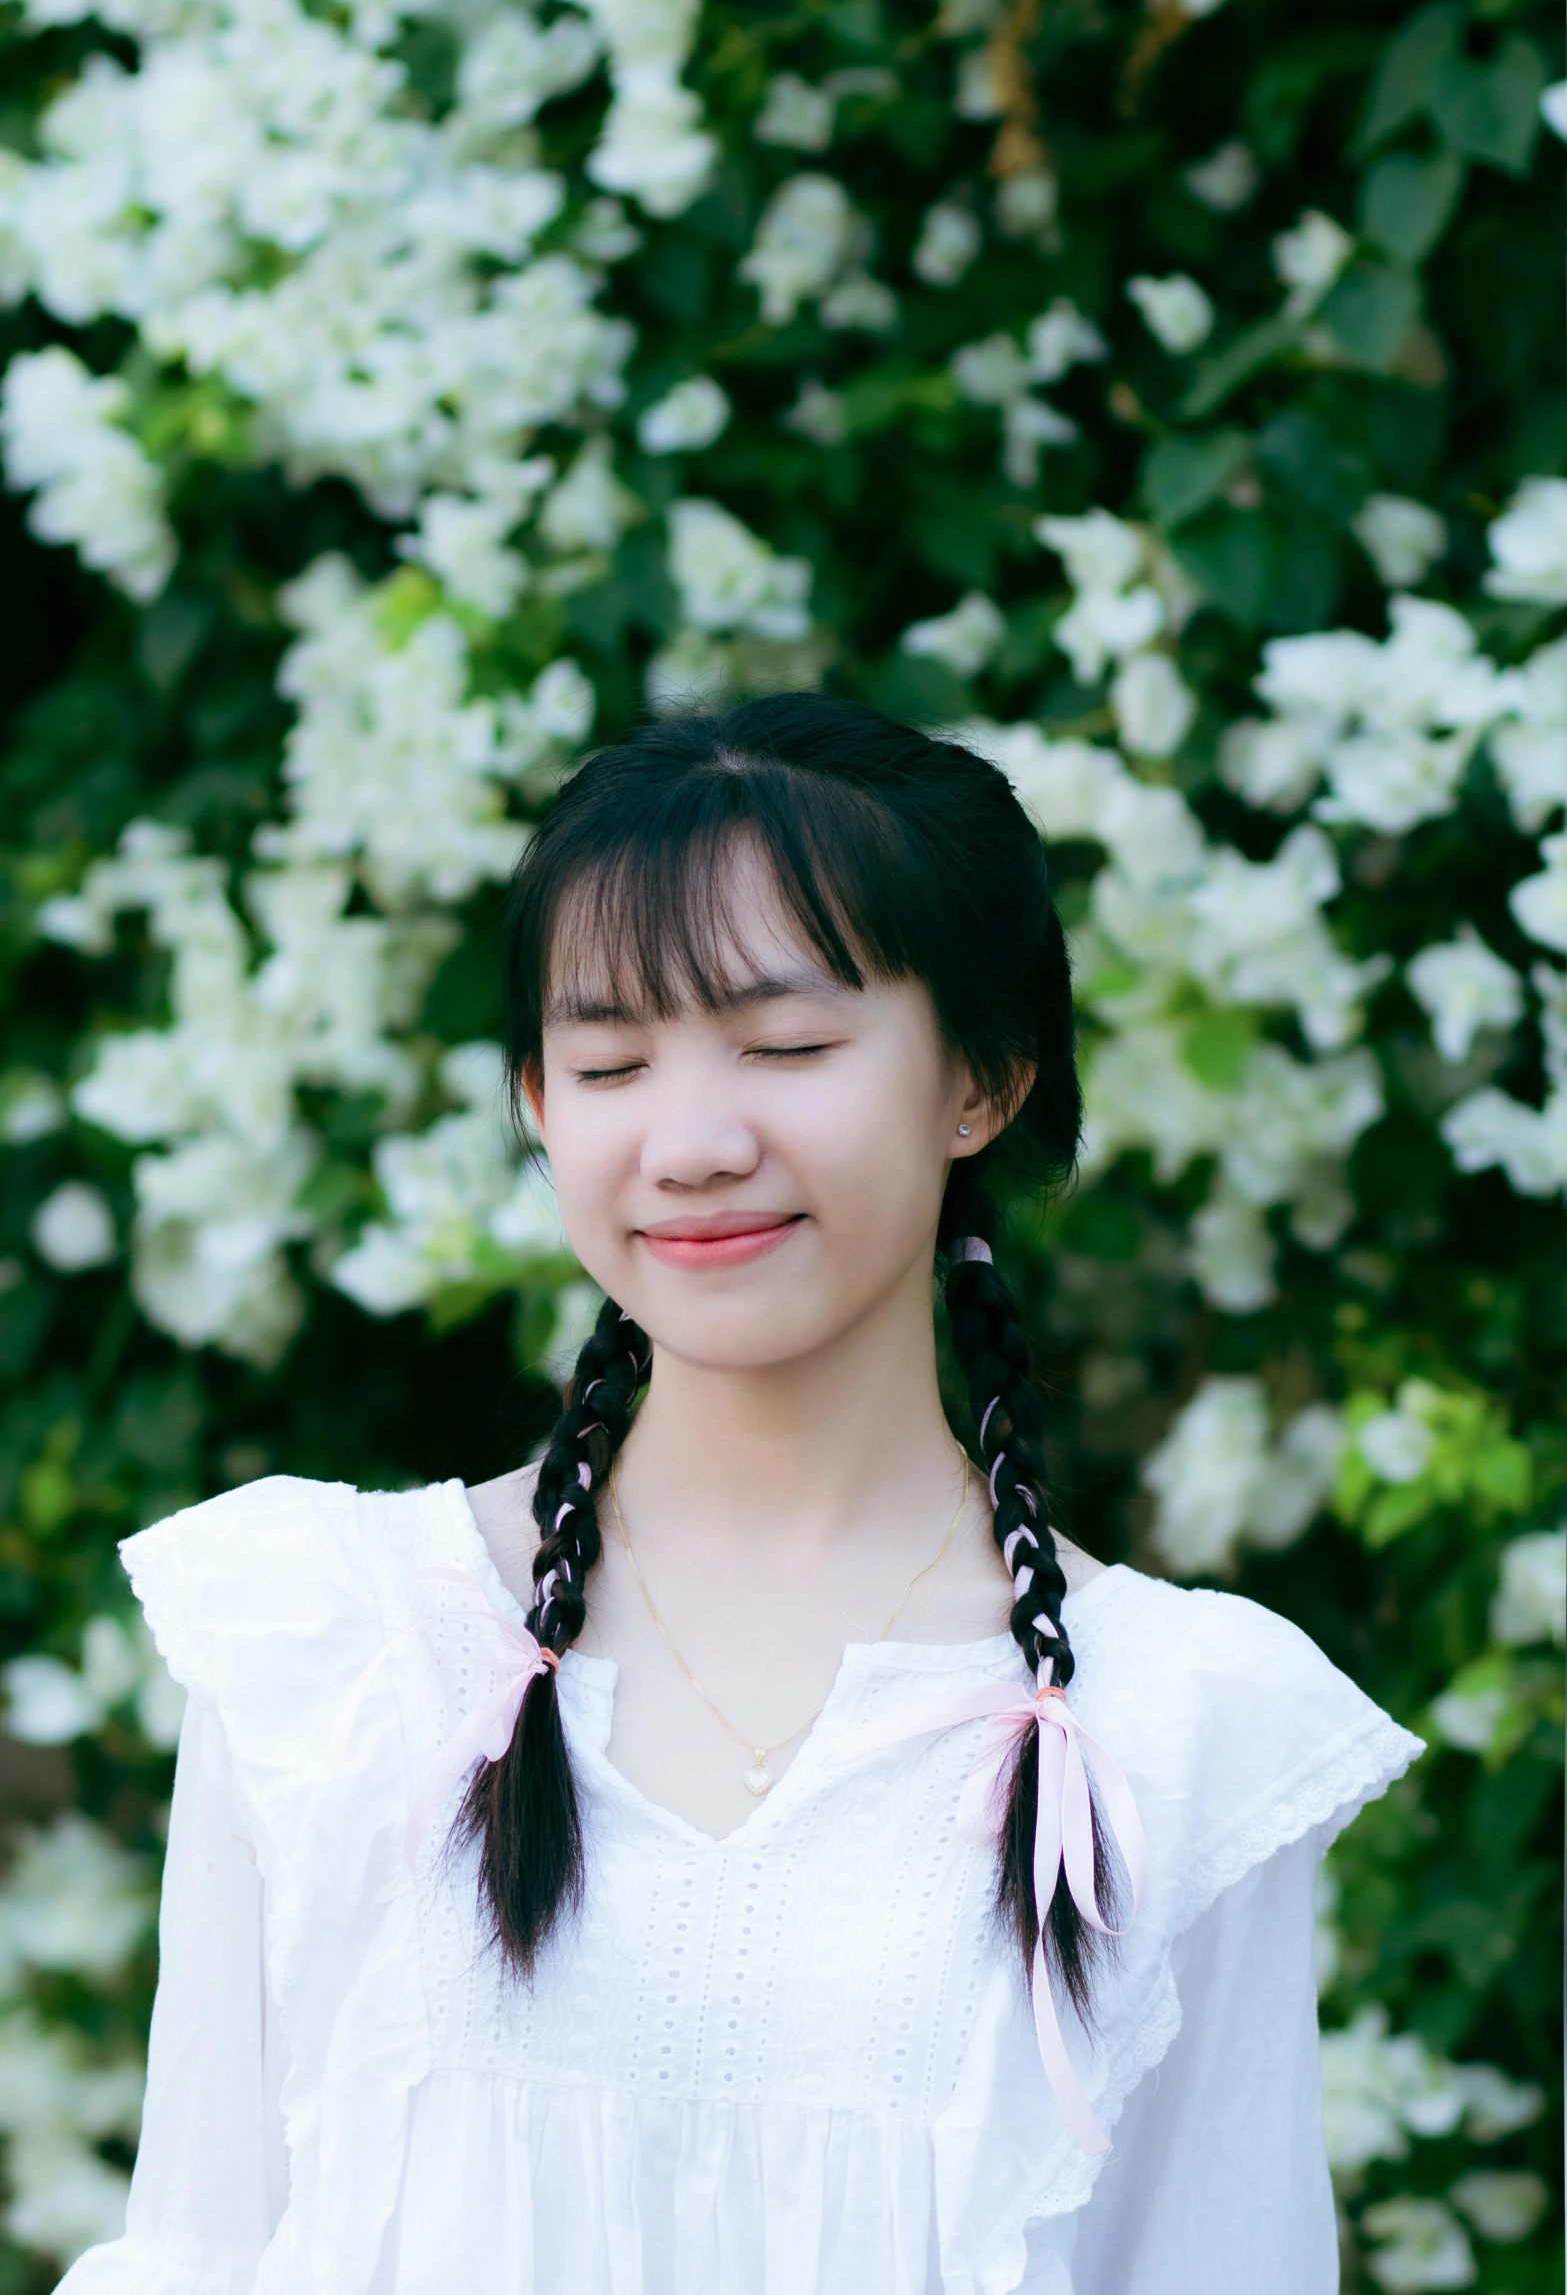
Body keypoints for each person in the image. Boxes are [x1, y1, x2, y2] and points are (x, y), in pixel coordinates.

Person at [59, 696, 1420, 2295]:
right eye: (610, 1060)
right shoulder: (335, 1649)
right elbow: (201, 2252)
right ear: (538, 1103)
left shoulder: (1176, 1727)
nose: (693, 1142)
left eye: (786, 1047)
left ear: (977, 1081)